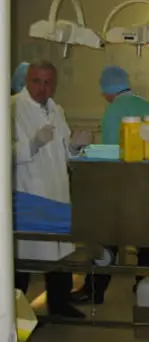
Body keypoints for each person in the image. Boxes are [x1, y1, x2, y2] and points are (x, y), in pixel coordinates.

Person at [71, 66, 149, 305]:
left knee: (107, 237)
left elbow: (110, 155)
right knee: (144, 239)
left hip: (120, 183)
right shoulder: (148, 107)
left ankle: (94, 290)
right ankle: (146, 286)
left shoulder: (114, 112)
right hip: (146, 182)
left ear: (108, 90)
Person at [13, 60, 92, 318]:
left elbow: (64, 152)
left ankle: (59, 304)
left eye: (48, 82)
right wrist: (32, 144)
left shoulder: (56, 109)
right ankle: (13, 313)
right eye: (37, 81)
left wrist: (75, 146)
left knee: (59, 253)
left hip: (56, 191)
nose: (42, 88)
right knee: (23, 258)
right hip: (29, 195)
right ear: (26, 80)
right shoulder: (12, 108)